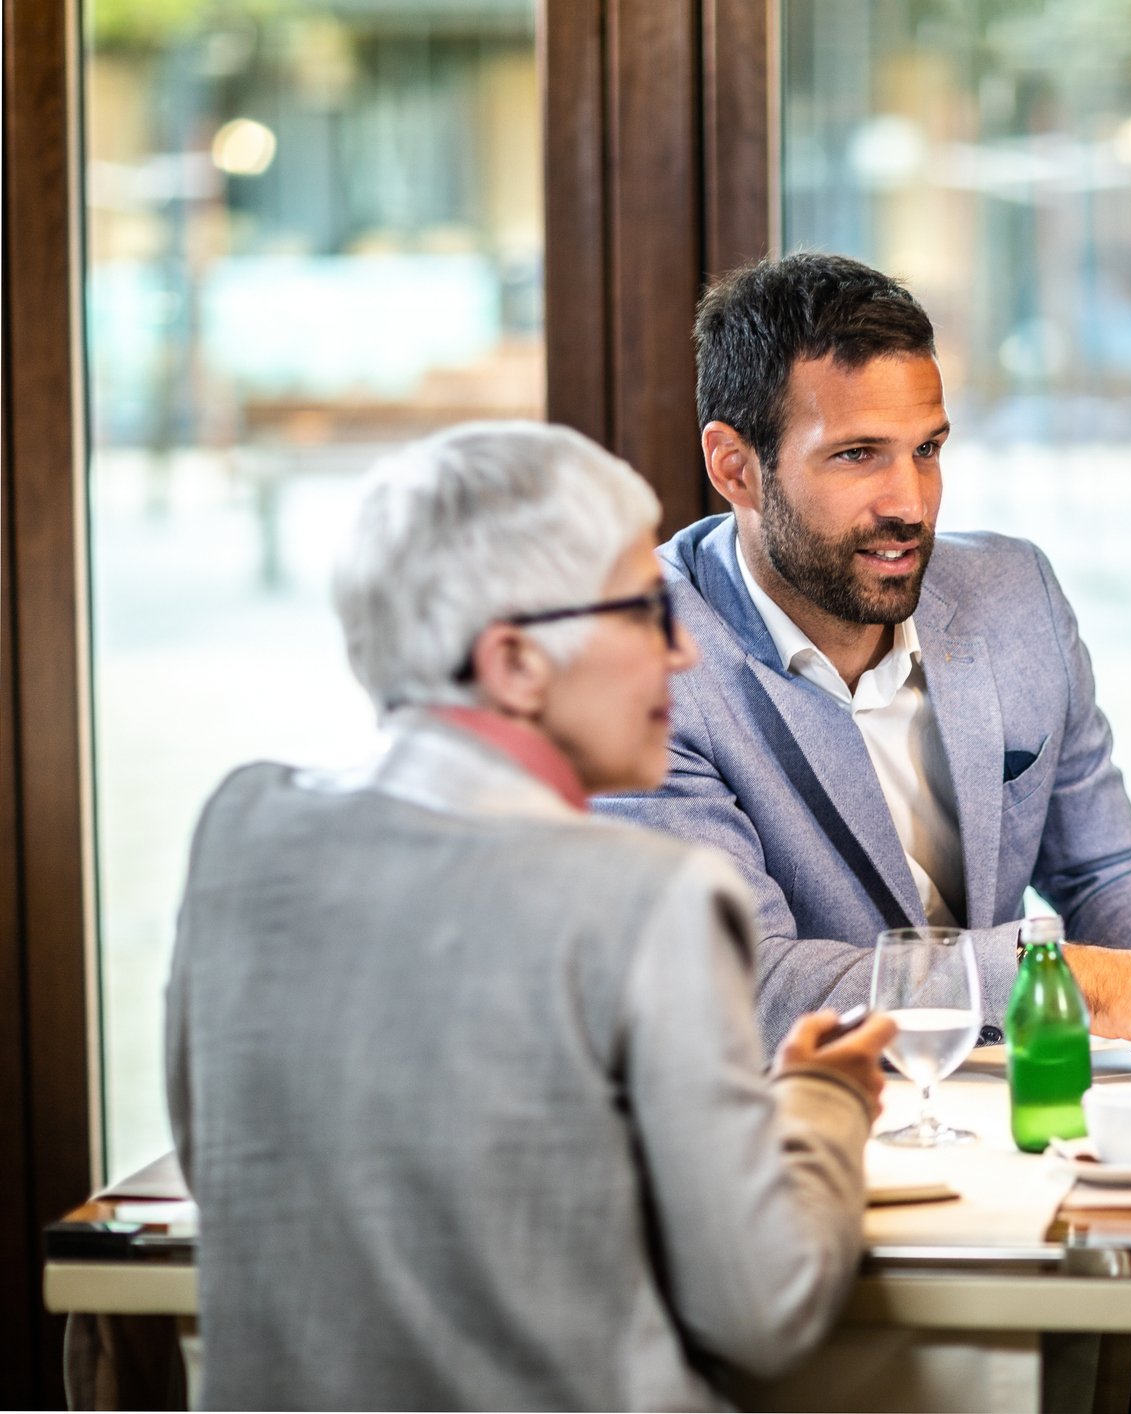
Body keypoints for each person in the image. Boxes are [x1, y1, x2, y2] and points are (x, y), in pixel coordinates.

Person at [164, 422, 897, 1410]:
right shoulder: (653, 898)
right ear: (513, 662)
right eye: (645, 611)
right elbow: (762, 1310)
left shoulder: (240, 832)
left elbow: (236, 1175)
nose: (681, 653)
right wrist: (824, 1099)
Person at [598, 253, 1131, 1079]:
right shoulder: (641, 665)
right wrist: (1060, 975)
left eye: (926, 450)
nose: (910, 503)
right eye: (857, 455)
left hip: (999, 1116)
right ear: (735, 468)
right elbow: (747, 985)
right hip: (789, 1130)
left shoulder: (1013, 592)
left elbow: (1101, 866)